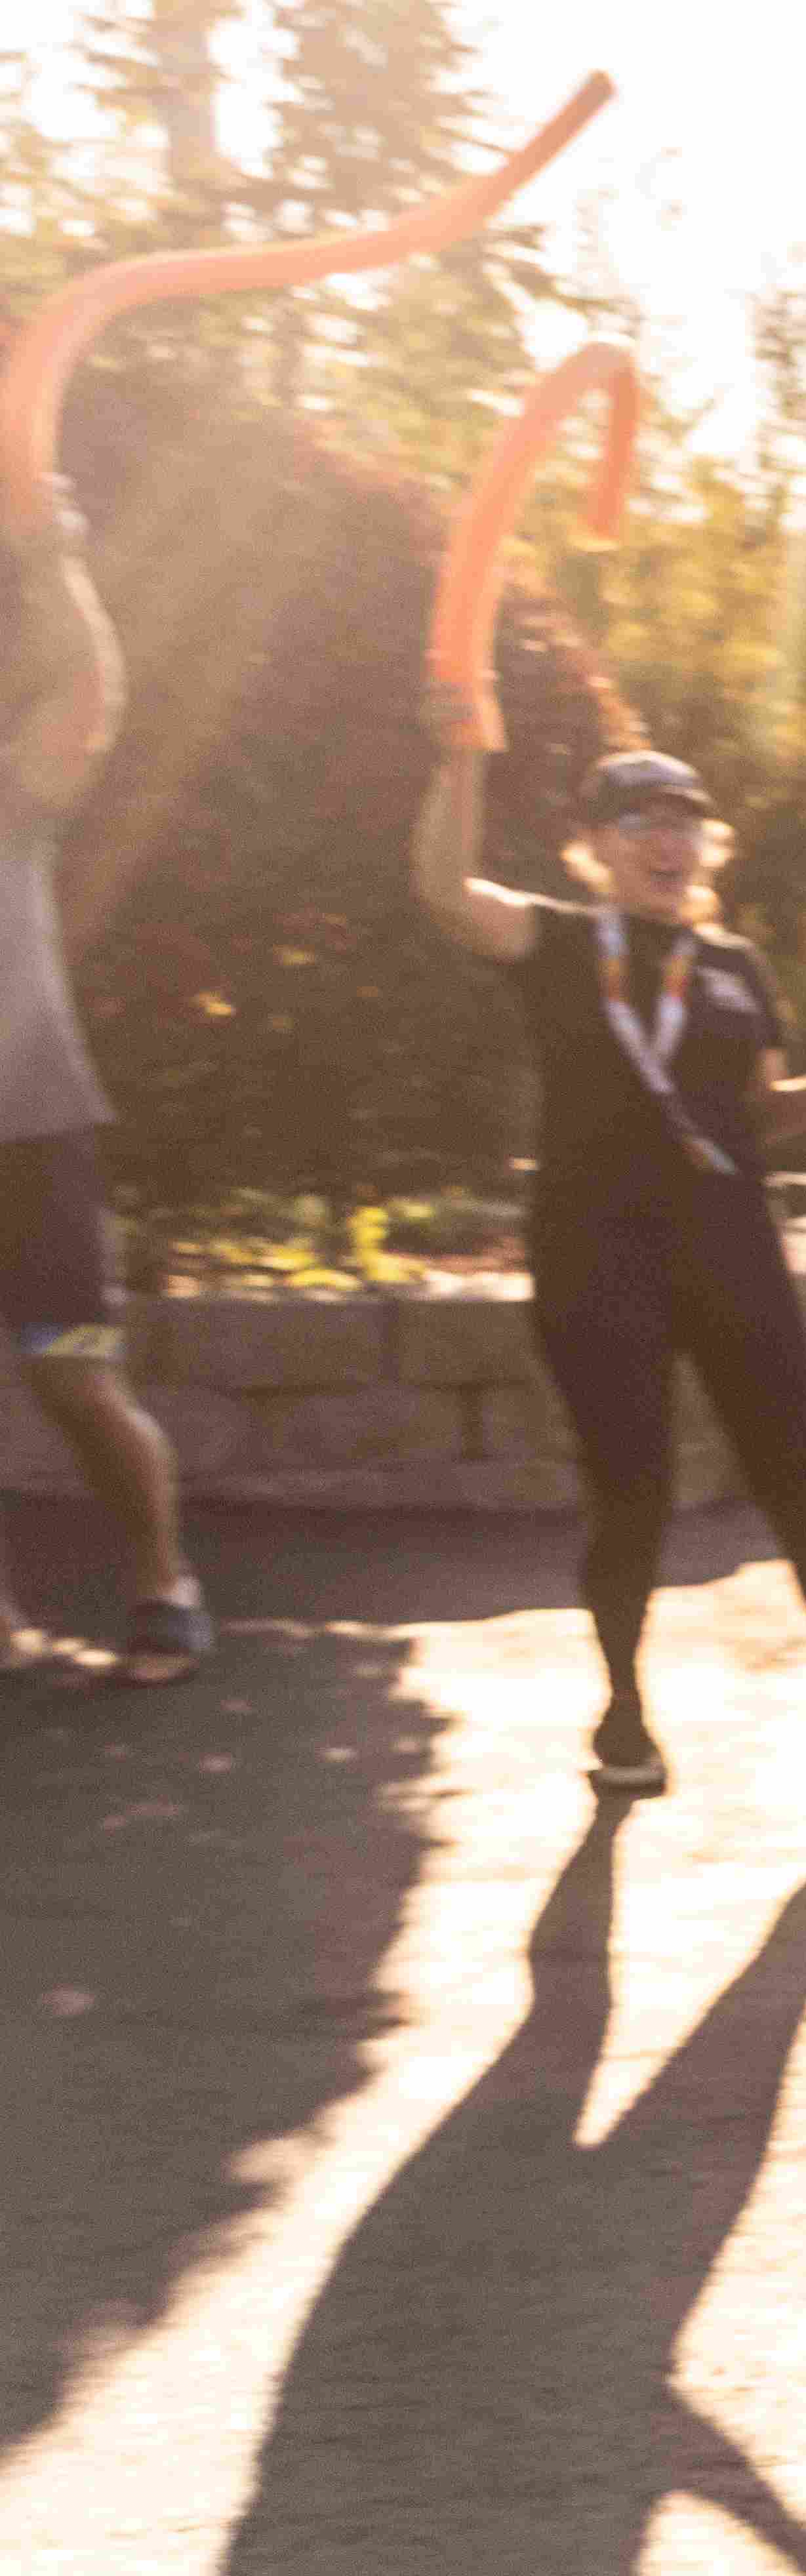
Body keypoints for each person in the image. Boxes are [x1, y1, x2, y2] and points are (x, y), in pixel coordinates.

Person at [411, 707, 806, 1801]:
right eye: (641, 822)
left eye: (687, 824)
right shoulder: (559, 941)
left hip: (729, 1244)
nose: (670, 842)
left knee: (802, 1481)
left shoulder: (735, 969)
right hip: (596, 1252)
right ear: (598, 844)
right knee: (634, 1490)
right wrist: (463, 754)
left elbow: (758, 1115)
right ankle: (622, 1712)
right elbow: (441, 888)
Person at [0, 483, 203, 1688]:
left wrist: (55, 548)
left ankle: (163, 1581)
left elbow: (89, 696)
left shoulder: (11, 794)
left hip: (31, 1135)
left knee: (73, 1375)